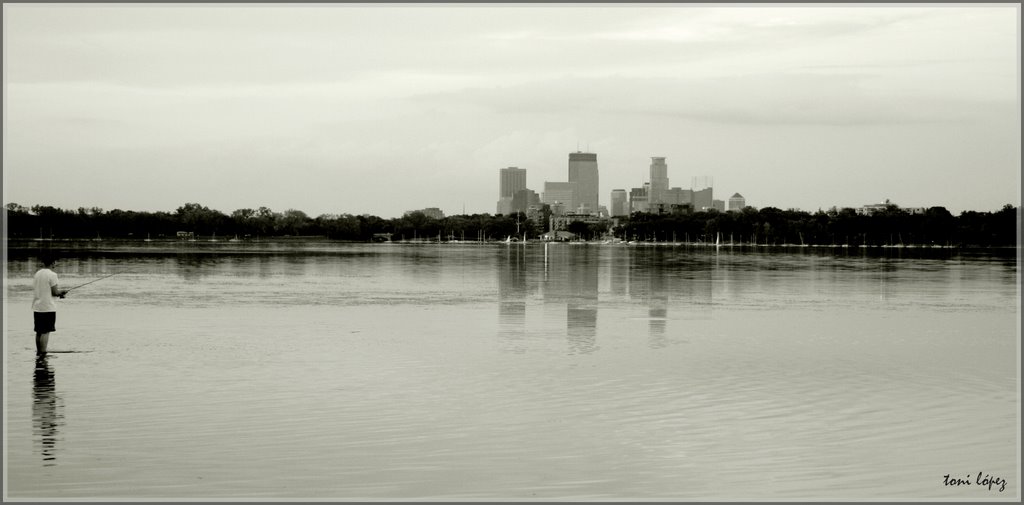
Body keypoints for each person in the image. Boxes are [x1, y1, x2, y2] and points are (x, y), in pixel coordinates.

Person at [32, 255, 68, 355]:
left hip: (37, 306)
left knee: (39, 331)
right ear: (52, 263)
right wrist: (61, 293)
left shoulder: (37, 273)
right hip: (48, 307)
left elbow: (45, 290)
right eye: (55, 263)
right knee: (46, 331)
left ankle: (39, 352)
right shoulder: (52, 275)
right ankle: (43, 352)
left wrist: (58, 294)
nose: (55, 264)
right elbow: (55, 292)